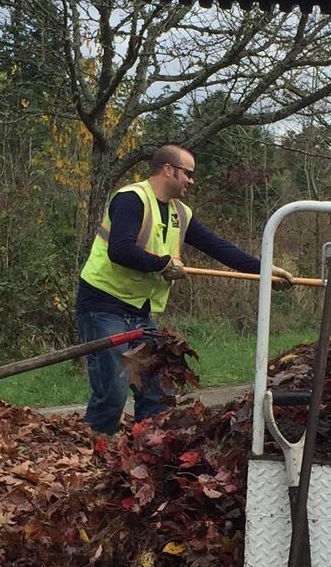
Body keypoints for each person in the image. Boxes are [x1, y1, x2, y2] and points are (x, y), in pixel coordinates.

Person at [75, 141, 292, 434]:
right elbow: (120, 250)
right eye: (187, 173)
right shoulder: (131, 199)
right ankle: (95, 449)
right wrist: (162, 264)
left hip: (141, 310)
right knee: (113, 390)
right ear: (168, 170)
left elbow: (217, 247)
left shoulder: (181, 213)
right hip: (104, 305)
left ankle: (146, 450)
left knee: (154, 389)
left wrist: (263, 269)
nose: (191, 180)